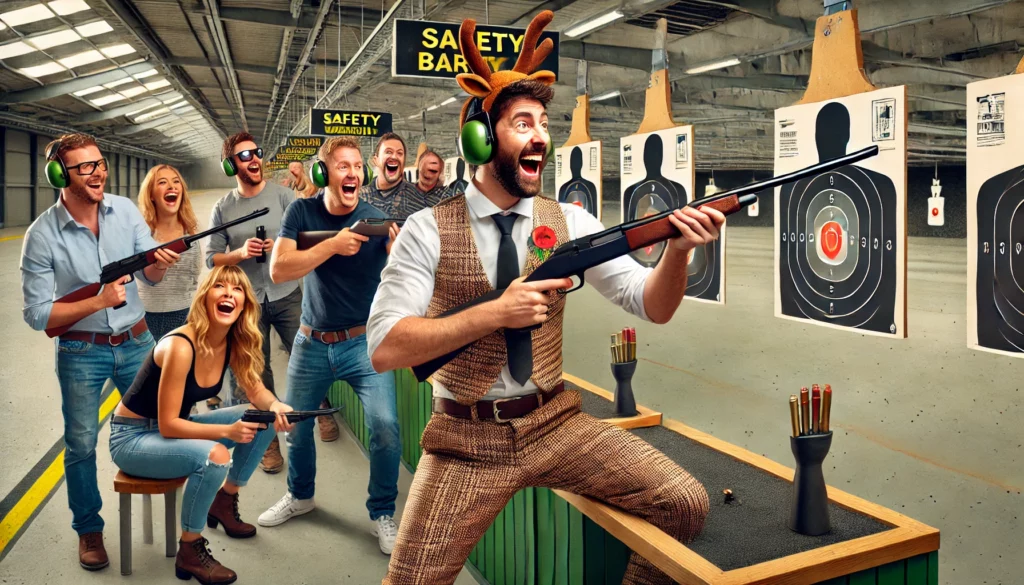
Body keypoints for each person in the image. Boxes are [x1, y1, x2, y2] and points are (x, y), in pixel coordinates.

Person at [366, 12, 724, 584]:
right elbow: (384, 347)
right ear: (481, 138)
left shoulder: (572, 220)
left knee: (683, 502)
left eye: (542, 123)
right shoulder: (428, 229)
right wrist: (496, 312)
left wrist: (678, 251)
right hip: (466, 437)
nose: (540, 135)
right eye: (521, 123)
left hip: (555, 423)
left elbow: (651, 305)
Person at [20, 132, 181, 570]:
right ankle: (89, 528)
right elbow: (36, 315)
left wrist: (157, 263)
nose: (98, 173)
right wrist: (98, 302)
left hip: (137, 342)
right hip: (80, 350)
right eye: (85, 167)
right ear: (59, 174)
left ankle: (173, 517)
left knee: (160, 425)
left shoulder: (125, 210)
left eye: (100, 164)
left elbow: (149, 278)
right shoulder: (41, 236)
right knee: (81, 443)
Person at [259, 136, 403, 555]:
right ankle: (300, 496)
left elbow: (400, 282)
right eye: (343, 166)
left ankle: (382, 513)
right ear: (324, 173)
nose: (353, 173)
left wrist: (393, 254)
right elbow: (280, 269)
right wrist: (332, 246)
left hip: (363, 344)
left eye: (358, 166)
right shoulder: (301, 211)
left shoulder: (377, 218)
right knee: (296, 428)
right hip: (311, 342)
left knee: (386, 428)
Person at [109, 265, 295, 584]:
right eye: (219, 286)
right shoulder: (180, 345)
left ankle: (224, 502)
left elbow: (255, 390)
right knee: (216, 455)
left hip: (169, 428)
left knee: (259, 416)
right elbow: (169, 426)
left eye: (237, 289)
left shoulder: (232, 341)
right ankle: (190, 550)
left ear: (245, 303)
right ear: (205, 298)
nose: (228, 293)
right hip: (132, 438)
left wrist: (277, 405)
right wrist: (226, 432)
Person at [206, 132, 315, 473]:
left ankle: (317, 413)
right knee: (257, 372)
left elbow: (308, 237)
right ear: (230, 165)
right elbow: (211, 259)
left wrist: (285, 250)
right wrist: (240, 253)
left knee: (308, 356)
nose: (254, 159)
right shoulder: (223, 208)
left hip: (286, 294)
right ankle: (269, 446)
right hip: (247, 302)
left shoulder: (284, 197)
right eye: (244, 156)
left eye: (256, 153)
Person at [136, 164, 203, 341]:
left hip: (185, 316)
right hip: (145, 318)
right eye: (162, 182)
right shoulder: (141, 234)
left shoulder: (191, 234)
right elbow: (144, 277)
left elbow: (193, 279)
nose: (172, 186)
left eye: (176, 182)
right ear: (151, 194)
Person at [357, 132, 424, 219]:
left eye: (399, 153)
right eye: (388, 152)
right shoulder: (359, 196)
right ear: (375, 160)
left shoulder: (417, 197)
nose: (394, 157)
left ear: (404, 162)